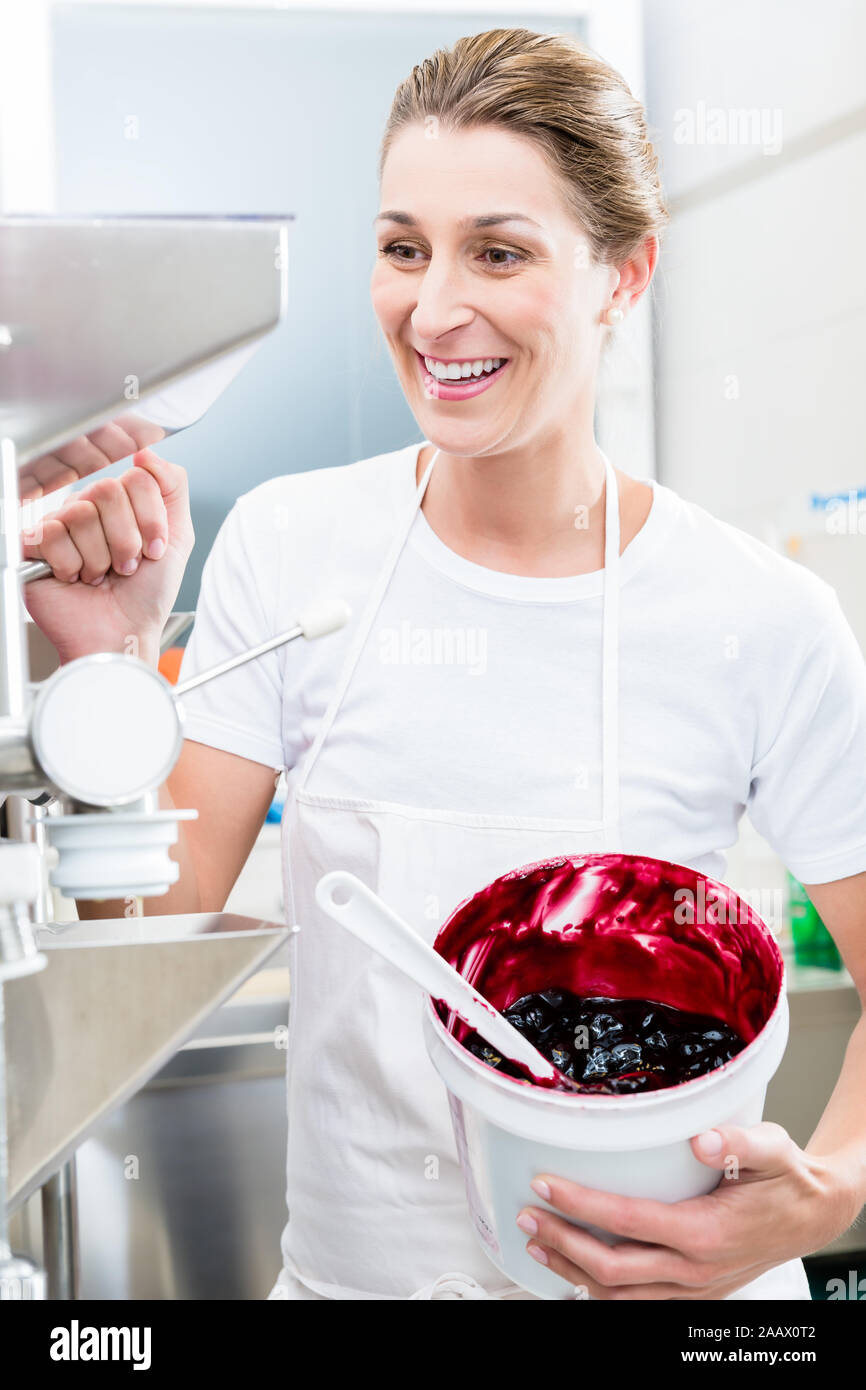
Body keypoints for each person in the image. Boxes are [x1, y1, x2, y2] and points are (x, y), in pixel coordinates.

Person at [24, 28, 866, 1301]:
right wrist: (112, 678)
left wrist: (821, 1197)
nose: (432, 310)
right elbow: (148, 950)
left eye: (499, 251)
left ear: (623, 273)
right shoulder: (291, 549)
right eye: (403, 248)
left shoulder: (759, 616)